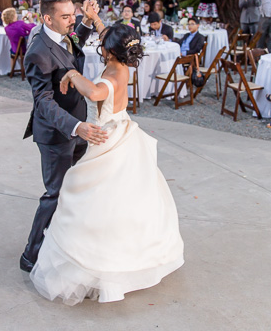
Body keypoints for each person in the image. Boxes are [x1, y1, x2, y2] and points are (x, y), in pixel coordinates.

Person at [29, 23, 184, 305]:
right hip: (124, 126)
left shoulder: (112, 71)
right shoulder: (123, 62)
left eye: (105, 45)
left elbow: (95, 93)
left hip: (109, 133)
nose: (101, 48)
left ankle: (98, 260)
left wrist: (72, 73)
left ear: (112, 50)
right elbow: (108, 37)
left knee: (94, 194)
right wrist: (96, 21)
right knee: (123, 196)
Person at [20, 0, 105, 274]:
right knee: (55, 193)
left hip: (79, 127)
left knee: (76, 188)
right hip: (57, 134)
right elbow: (42, 102)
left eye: (74, 14)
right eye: (66, 16)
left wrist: (88, 23)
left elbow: (74, 43)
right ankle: (30, 253)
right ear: (47, 18)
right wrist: (75, 126)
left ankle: (66, 241)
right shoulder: (37, 52)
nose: (73, 21)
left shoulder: (62, 33)